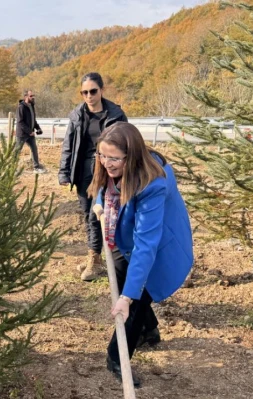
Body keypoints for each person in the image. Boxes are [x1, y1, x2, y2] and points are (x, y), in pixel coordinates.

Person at [88, 122, 193, 388]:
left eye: (114, 158)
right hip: (126, 238)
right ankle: (150, 330)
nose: (106, 163)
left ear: (131, 156)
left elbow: (146, 244)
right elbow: (103, 185)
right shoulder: (110, 164)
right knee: (129, 284)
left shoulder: (152, 183)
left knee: (134, 298)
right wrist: (100, 202)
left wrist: (126, 298)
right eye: (102, 155)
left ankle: (116, 357)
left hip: (159, 246)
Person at [58, 72, 128, 281]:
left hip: (106, 170)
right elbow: (68, 145)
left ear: (101, 91)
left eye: (93, 91)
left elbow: (126, 142)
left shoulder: (115, 114)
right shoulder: (77, 115)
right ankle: (96, 257)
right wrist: (64, 171)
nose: (89, 95)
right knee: (88, 213)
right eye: (85, 92)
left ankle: (97, 259)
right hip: (82, 172)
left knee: (97, 214)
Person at [15, 89, 46, 173]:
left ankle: (36, 167)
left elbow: (33, 120)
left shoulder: (32, 106)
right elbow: (20, 122)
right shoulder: (21, 107)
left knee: (34, 149)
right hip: (22, 134)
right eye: (31, 96)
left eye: (33, 95)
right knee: (17, 151)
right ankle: (12, 168)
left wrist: (38, 128)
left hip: (30, 134)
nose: (33, 97)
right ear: (25, 97)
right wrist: (29, 131)